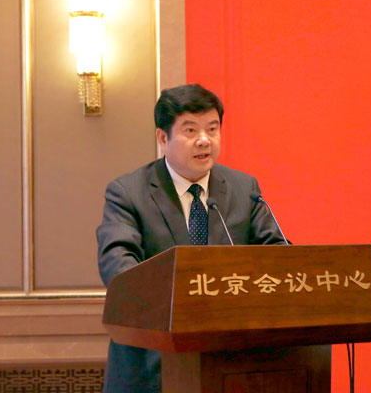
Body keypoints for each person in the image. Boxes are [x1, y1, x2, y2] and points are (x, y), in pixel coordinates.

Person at [96, 84, 286, 392]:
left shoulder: (244, 189)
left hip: (232, 364)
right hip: (152, 364)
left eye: (212, 129)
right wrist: (186, 300)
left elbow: (277, 256)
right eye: (190, 130)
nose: (204, 140)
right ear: (163, 138)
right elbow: (118, 267)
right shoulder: (128, 193)